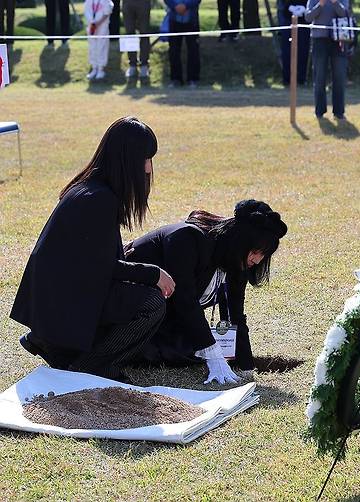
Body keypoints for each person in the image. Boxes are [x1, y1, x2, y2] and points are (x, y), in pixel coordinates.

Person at [11, 117, 172, 384]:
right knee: (152, 303)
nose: (148, 168)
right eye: (146, 158)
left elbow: (95, 262)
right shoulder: (99, 199)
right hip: (62, 305)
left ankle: (60, 352)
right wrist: (153, 274)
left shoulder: (90, 189)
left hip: (58, 302)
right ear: (128, 160)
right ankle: (87, 369)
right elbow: (103, 268)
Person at [124, 200, 288, 382]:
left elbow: (236, 315)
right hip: (127, 311)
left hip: (168, 319)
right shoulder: (188, 238)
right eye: (256, 251)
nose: (257, 260)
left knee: (189, 350)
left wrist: (245, 367)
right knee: (180, 349)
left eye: (263, 255)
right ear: (241, 241)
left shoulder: (236, 263)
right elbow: (185, 299)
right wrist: (212, 354)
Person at [305, 0, 350, 119]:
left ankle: (339, 112)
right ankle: (319, 111)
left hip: (338, 39)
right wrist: (320, 4)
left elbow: (344, 14)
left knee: (339, 76)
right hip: (319, 40)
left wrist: (335, 2)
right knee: (319, 77)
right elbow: (308, 17)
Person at [164, 0, 201, 87]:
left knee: (193, 50)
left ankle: (193, 79)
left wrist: (186, 6)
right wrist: (175, 6)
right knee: (173, 50)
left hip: (191, 19)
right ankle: (175, 79)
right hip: (174, 18)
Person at [278, 0, 311, 85]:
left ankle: (301, 78)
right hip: (287, 19)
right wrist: (290, 7)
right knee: (287, 51)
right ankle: (287, 78)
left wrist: (305, 8)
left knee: (303, 50)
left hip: (304, 21)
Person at [84, 0, 114, 81]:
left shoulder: (106, 1)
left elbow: (107, 12)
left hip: (102, 26)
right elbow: (86, 11)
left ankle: (101, 69)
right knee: (92, 47)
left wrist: (97, 23)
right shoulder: (89, 1)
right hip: (91, 27)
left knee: (102, 46)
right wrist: (92, 23)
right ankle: (94, 68)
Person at [122, 0, 151, 78]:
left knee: (144, 33)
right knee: (129, 34)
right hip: (127, 3)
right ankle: (132, 64)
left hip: (143, 3)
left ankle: (144, 64)